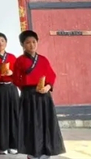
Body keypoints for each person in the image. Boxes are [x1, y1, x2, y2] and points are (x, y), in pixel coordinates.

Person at [14, 30, 65, 159]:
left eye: (34, 42)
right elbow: (16, 79)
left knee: (46, 123)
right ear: (22, 45)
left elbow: (51, 75)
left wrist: (48, 87)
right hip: (28, 97)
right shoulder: (19, 61)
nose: (31, 45)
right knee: (31, 124)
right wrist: (26, 88)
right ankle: (32, 153)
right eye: (28, 42)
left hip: (44, 96)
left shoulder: (43, 60)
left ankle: (46, 151)